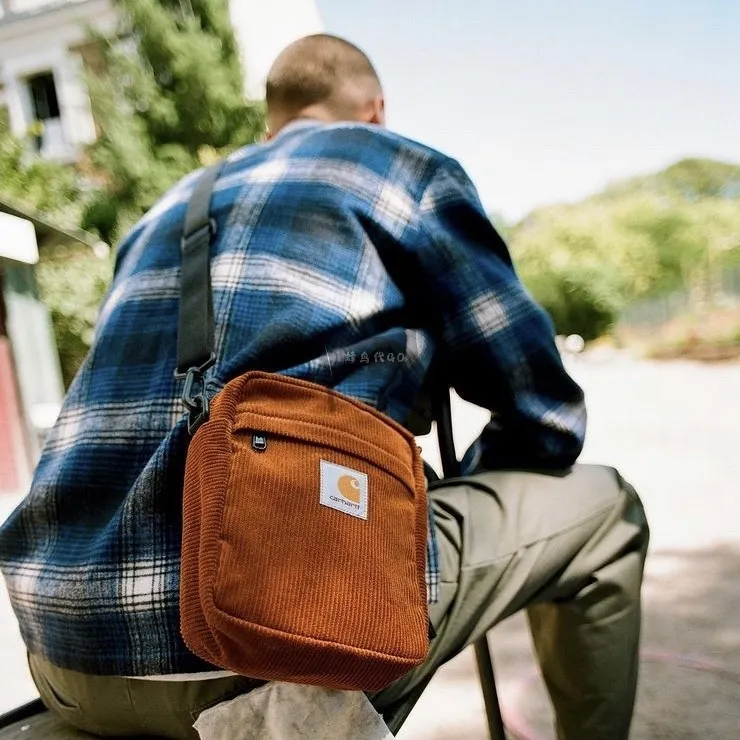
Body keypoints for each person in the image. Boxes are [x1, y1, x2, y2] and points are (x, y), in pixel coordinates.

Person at [0, 34, 649, 740]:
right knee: (607, 509)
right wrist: (450, 490)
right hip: (265, 638)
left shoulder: (166, 208)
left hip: (65, 648)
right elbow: (543, 411)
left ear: (270, 122)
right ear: (376, 111)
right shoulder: (404, 166)